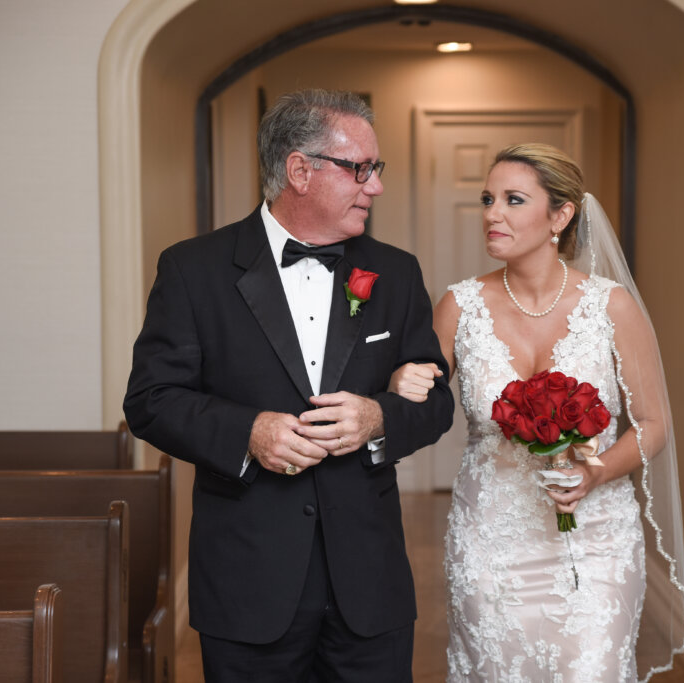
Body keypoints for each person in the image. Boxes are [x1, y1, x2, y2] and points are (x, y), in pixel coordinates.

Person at [124, 89, 454, 682]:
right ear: (300, 170)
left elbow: (436, 403)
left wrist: (379, 419)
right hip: (248, 581)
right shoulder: (192, 270)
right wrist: (248, 432)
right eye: (361, 169)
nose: (375, 186)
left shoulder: (397, 273)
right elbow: (151, 401)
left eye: (375, 169)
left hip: (369, 583)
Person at [389, 143, 684, 681]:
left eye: (512, 199)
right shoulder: (459, 305)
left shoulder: (610, 305)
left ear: (561, 214)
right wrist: (398, 382)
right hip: (490, 540)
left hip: (595, 541)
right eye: (487, 198)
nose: (492, 213)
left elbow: (653, 422)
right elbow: (421, 408)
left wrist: (593, 472)